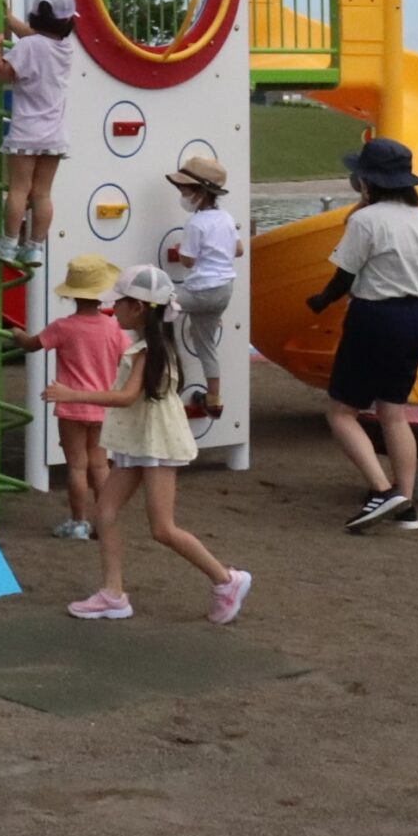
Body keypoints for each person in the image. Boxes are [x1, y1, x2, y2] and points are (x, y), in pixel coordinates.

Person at [50, 264, 252, 624]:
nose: (115, 309)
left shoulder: (148, 351)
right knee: (106, 512)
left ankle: (226, 579)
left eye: (121, 304)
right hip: (141, 440)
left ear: (139, 307)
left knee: (163, 528)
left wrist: (71, 393)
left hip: (155, 443)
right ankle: (113, 593)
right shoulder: (149, 346)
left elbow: (126, 397)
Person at [307, 138, 418, 532]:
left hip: (375, 316)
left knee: (341, 411)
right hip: (416, 315)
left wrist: (319, 301)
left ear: (368, 180)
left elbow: (344, 275)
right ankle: (407, 504)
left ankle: (383, 491)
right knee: (393, 413)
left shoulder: (365, 220)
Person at [11, 252, 128, 541]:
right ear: (101, 292)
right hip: (102, 405)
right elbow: (127, 357)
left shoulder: (63, 327)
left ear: (72, 294)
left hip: (71, 405)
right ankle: (105, 521)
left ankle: (78, 522)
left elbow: (32, 345)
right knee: (100, 465)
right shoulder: (113, 327)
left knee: (76, 465)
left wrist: (16, 334)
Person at [0, 0, 80, 265]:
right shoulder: (64, 48)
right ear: (68, 21)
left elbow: (3, 74)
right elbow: (38, 40)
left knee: (19, 190)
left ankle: (9, 243)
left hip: (26, 133)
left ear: (36, 16)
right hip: (55, 135)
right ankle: (35, 246)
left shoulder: (27, 47)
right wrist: (10, 22)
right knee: (43, 193)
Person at [163, 156, 241, 416]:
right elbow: (238, 250)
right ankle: (214, 399)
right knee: (206, 345)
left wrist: (178, 250)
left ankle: (161, 377)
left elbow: (187, 262)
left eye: (184, 189)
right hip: (224, 290)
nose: (182, 194)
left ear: (199, 193)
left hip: (201, 291)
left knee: (157, 308)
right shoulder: (226, 218)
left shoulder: (195, 223)